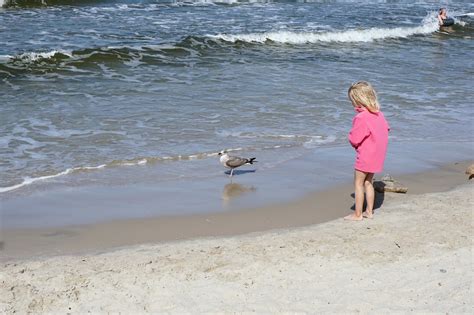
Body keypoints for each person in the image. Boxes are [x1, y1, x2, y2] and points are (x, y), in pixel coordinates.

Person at [344, 81, 390, 221]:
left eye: (352, 100)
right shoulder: (379, 114)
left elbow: (355, 139)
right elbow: (386, 130)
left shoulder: (361, 117)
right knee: (368, 182)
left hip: (366, 155)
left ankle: (357, 214)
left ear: (358, 99)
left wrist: (351, 138)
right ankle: (369, 211)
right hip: (378, 154)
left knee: (358, 183)